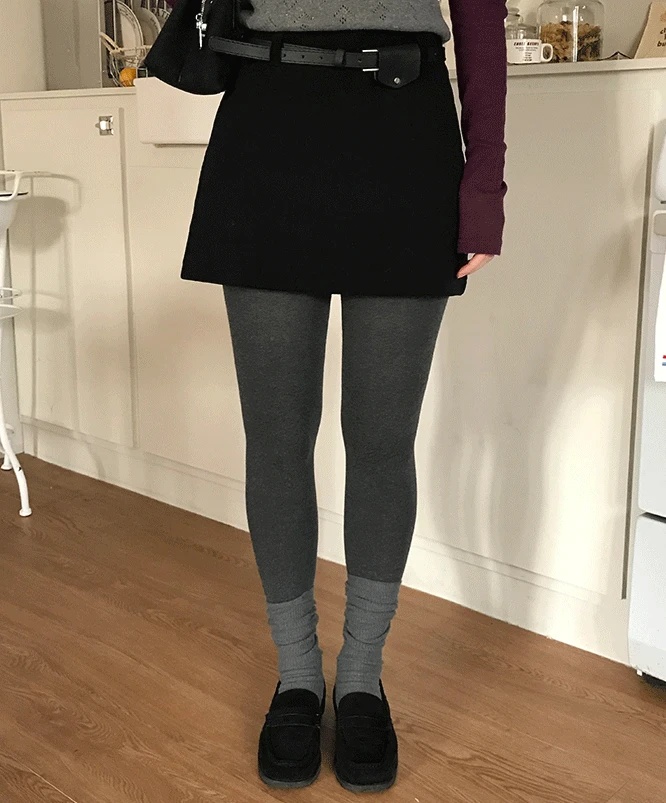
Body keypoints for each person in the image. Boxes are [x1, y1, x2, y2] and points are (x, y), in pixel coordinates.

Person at [180, 0, 508, 792]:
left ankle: (361, 677)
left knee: (382, 439)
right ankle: (297, 674)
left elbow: (481, 15)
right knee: (276, 438)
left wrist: (484, 185)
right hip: (267, 126)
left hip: (405, 130)